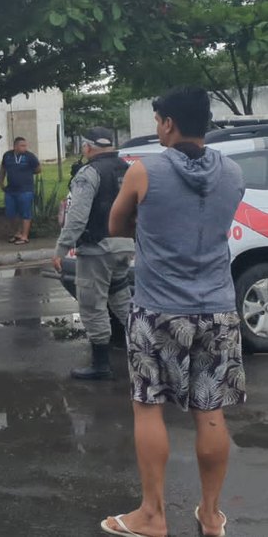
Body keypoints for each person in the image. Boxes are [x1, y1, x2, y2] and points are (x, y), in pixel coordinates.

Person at [103, 87, 245, 537]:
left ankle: (152, 514)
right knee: (211, 412)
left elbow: (115, 224)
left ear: (167, 123)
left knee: (148, 408)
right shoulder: (234, 172)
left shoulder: (145, 171)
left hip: (158, 310)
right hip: (218, 309)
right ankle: (209, 515)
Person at [52, 127, 133, 381]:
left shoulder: (89, 173)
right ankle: (149, 353)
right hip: (123, 246)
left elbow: (76, 218)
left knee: (92, 305)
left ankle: (100, 365)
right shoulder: (127, 168)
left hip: (97, 250)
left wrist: (61, 249)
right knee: (121, 300)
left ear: (87, 147)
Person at [0, 137, 41, 245]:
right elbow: (3, 169)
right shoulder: (7, 156)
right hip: (11, 190)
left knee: (25, 213)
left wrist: (26, 174)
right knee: (11, 213)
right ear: (15, 146)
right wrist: (1, 182)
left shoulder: (29, 156)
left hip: (25, 189)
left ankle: (25, 236)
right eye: (22, 146)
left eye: (25, 145)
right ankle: (17, 233)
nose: (24, 148)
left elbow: (38, 169)